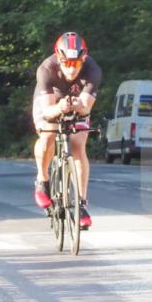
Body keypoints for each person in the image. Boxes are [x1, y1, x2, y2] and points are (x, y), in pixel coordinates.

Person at [32, 32, 101, 228]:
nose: (72, 69)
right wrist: (61, 107)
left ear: (84, 59)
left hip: (76, 100)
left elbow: (86, 107)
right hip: (51, 100)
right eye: (67, 63)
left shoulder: (93, 70)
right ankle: (42, 179)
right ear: (59, 59)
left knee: (79, 145)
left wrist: (77, 106)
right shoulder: (46, 69)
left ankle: (81, 203)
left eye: (76, 63)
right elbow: (46, 111)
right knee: (48, 134)